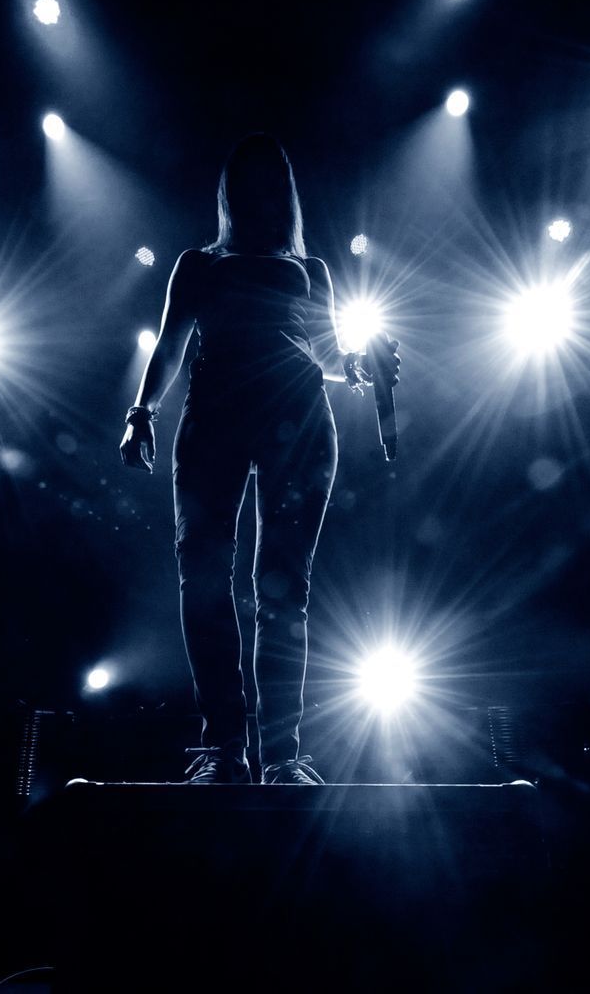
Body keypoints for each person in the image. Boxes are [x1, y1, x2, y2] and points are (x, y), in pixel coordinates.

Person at [119, 133, 400, 785]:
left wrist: (362, 364)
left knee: (283, 590)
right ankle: (225, 748)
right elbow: (169, 345)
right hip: (214, 419)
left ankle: (281, 756)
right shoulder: (198, 263)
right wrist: (141, 411)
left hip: (297, 421)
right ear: (229, 190)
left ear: (284, 191)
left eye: (270, 179)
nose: (258, 191)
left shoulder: (310, 270)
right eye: (247, 179)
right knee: (204, 582)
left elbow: (328, 356)